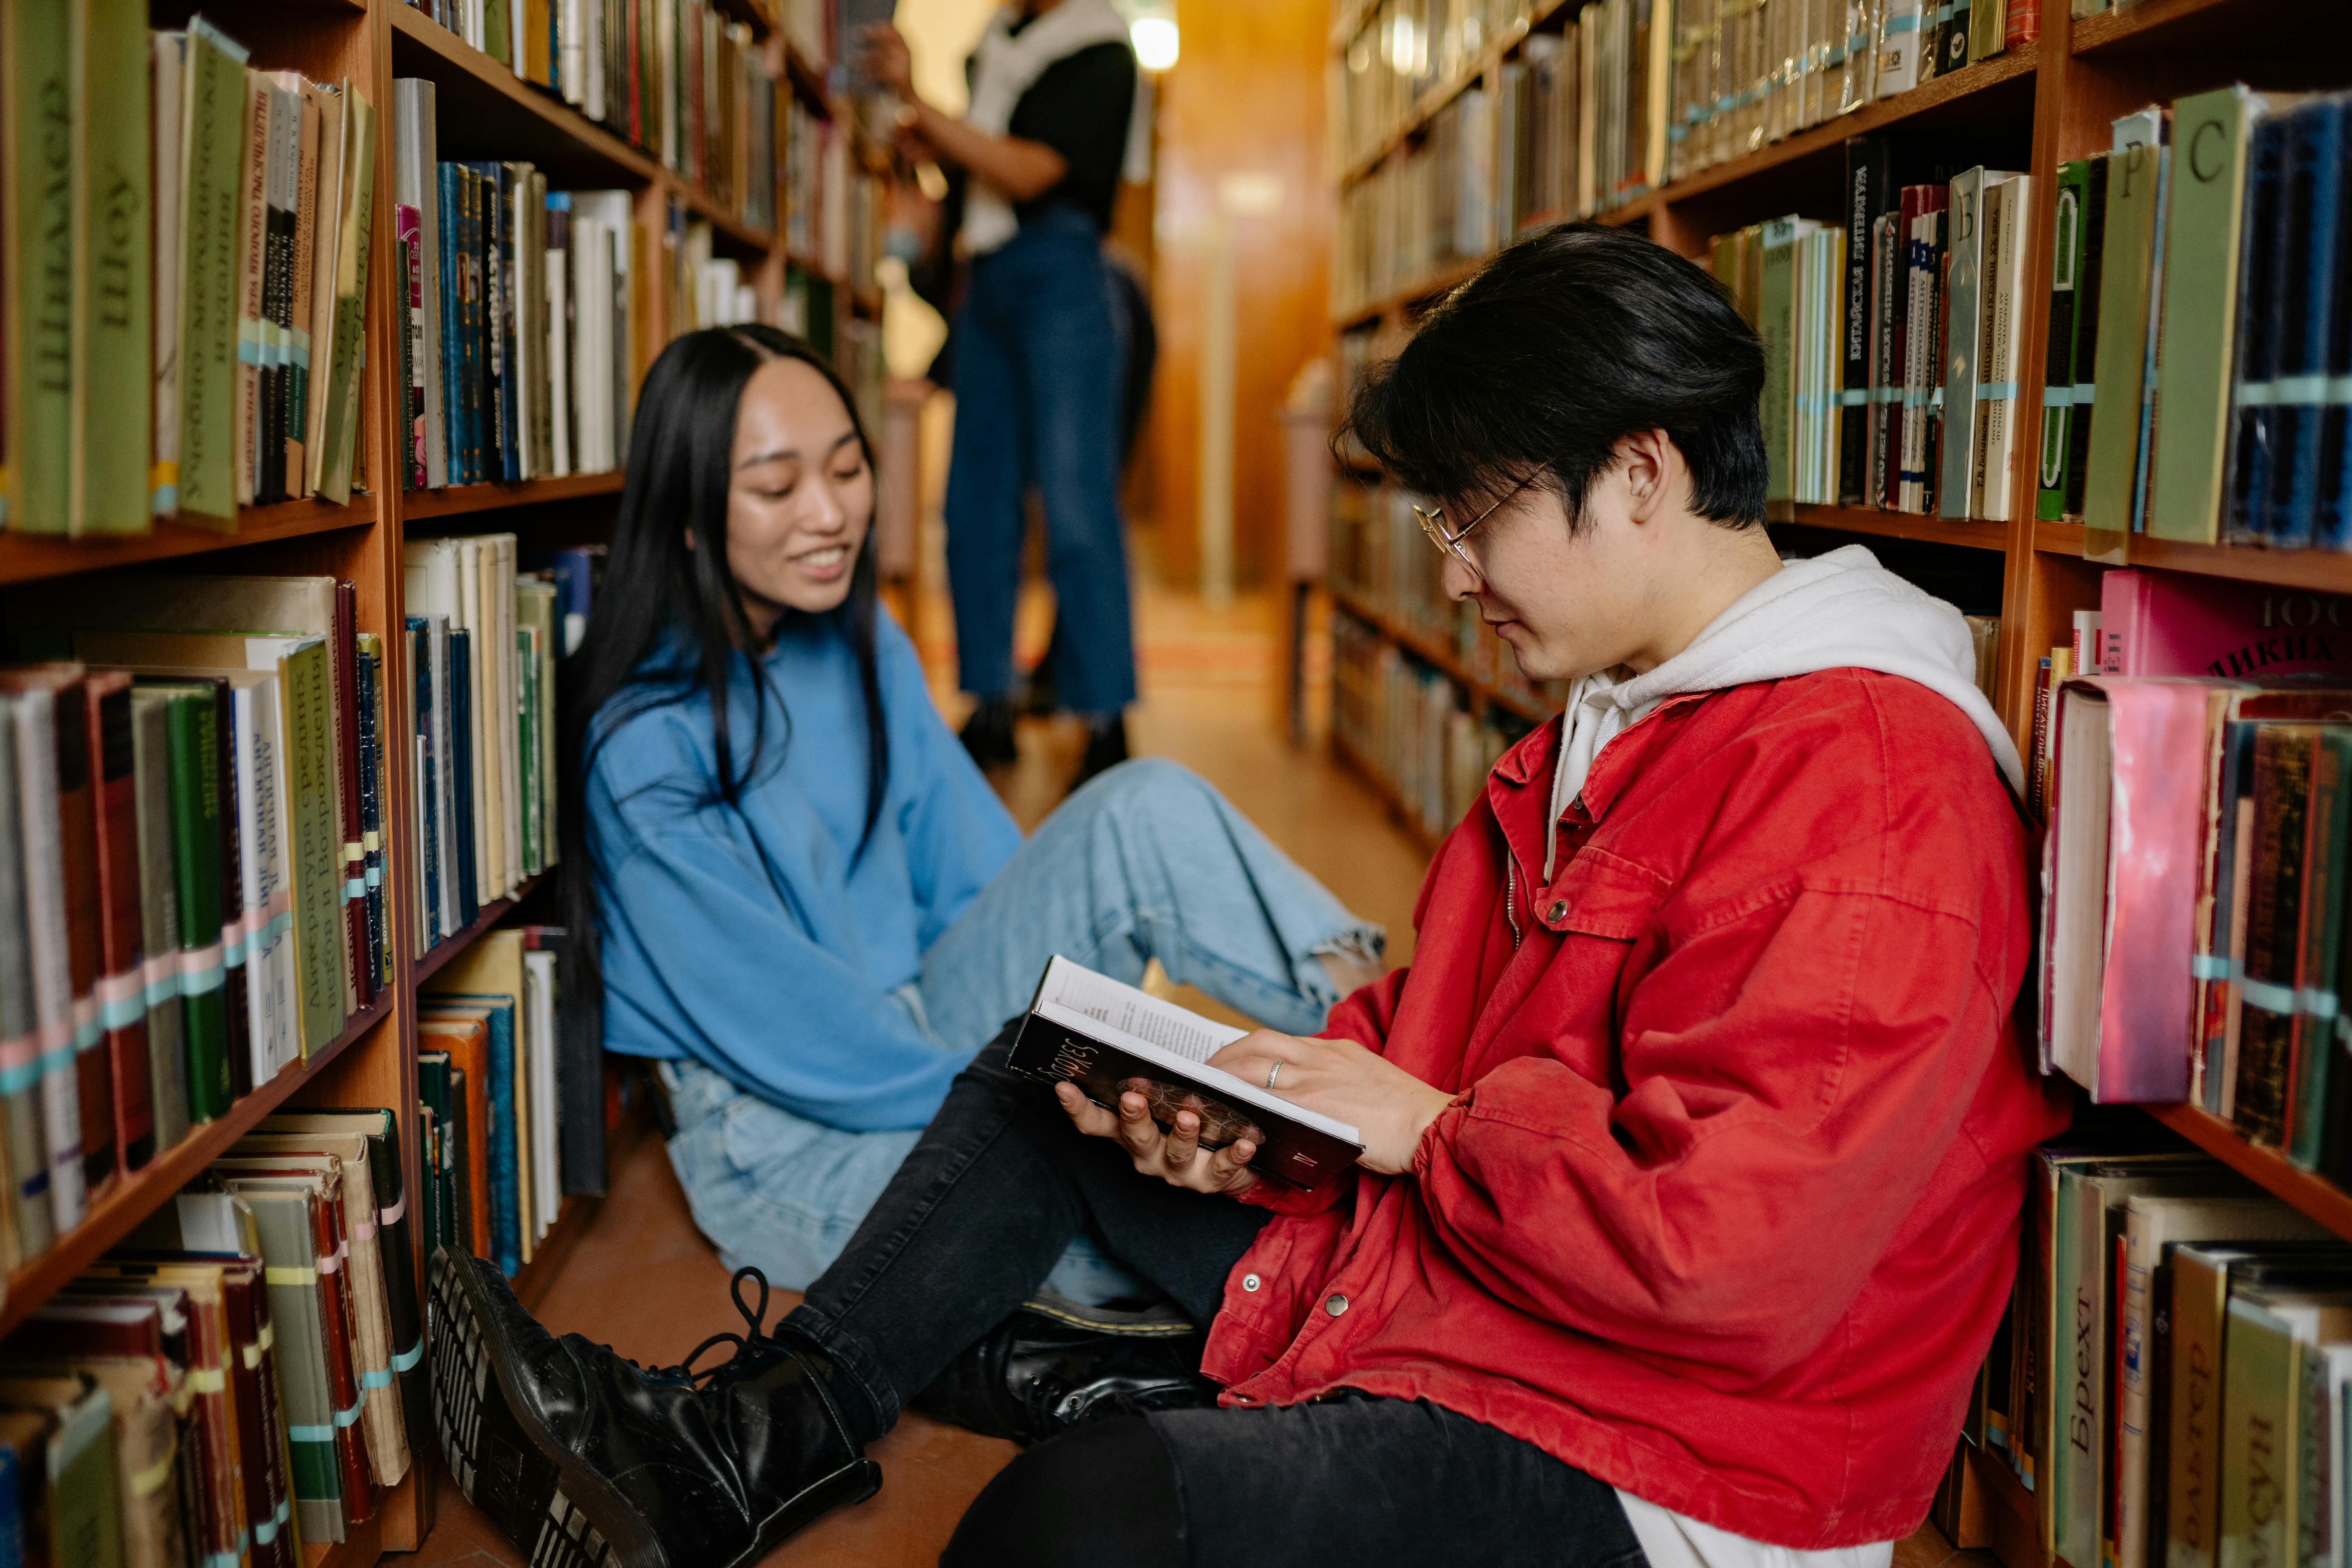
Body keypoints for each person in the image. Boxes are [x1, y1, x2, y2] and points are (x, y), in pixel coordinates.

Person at [444, 227, 2071, 1568]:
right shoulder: (1620, 711)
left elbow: (1736, 1270)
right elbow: (1454, 1027)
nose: (1447, 570)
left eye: (1475, 512)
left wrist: (1422, 1125)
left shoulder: (1869, 786)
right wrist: (1260, 1102)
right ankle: (749, 1446)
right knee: (1049, 1076)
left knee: (1062, 1533)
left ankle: (1070, 1380)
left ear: (1638, 474)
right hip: (1468, 1274)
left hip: (1667, 1449)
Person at [558, 324, 1384, 1299]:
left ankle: (1402, 1060)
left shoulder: (859, 643)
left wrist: (1105, 1049)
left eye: (848, 468)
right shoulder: (644, 747)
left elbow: (987, 881)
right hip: (792, 1137)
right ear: (688, 515)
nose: (829, 514)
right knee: (1174, 1240)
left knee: (1141, 804)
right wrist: (1054, 1102)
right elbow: (804, 1040)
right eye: (778, 488)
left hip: (940, 1031)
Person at [857, 2, 1142, 785]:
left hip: (1063, 278)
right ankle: (989, 701)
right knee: (974, 501)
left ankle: (1104, 717)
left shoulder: (1103, 51)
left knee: (1076, 503)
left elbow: (1028, 170)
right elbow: (977, 171)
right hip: (982, 282)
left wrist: (922, 105)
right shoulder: (996, 47)